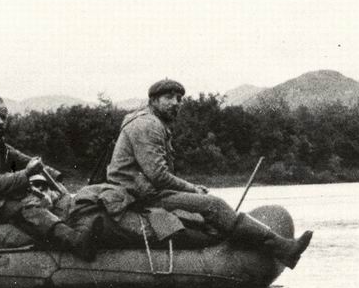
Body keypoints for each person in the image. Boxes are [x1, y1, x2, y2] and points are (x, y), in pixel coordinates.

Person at [106, 79, 312, 267]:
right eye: (168, 98)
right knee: (214, 205)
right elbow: (158, 175)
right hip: (137, 195)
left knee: (204, 213)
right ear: (153, 100)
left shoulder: (151, 122)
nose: (175, 103)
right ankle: (282, 248)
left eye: (178, 99)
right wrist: (192, 189)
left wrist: (191, 191)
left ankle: (269, 245)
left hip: (143, 191)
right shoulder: (147, 125)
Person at [0, 96, 101, 260]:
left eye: (4, 117)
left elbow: (22, 159)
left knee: (48, 198)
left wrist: (53, 175)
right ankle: (76, 241)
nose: (1, 122)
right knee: (25, 208)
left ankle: (72, 229)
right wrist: (27, 174)